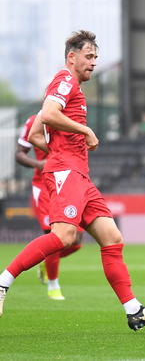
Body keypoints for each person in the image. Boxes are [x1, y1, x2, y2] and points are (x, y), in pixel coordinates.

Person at [0, 30, 145, 331]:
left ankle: (134, 310)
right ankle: (3, 281)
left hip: (79, 174)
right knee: (65, 237)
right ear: (72, 57)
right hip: (68, 173)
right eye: (89, 56)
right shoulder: (65, 80)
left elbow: (34, 134)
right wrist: (84, 132)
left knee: (112, 238)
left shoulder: (72, 88)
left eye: (96, 57)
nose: (94, 62)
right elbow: (48, 113)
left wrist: (57, 149)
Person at [15, 114, 85, 300]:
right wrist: (37, 163)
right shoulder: (34, 120)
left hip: (69, 182)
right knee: (54, 237)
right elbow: (19, 153)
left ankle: (45, 261)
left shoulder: (72, 118)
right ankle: (53, 286)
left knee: (76, 240)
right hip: (44, 185)